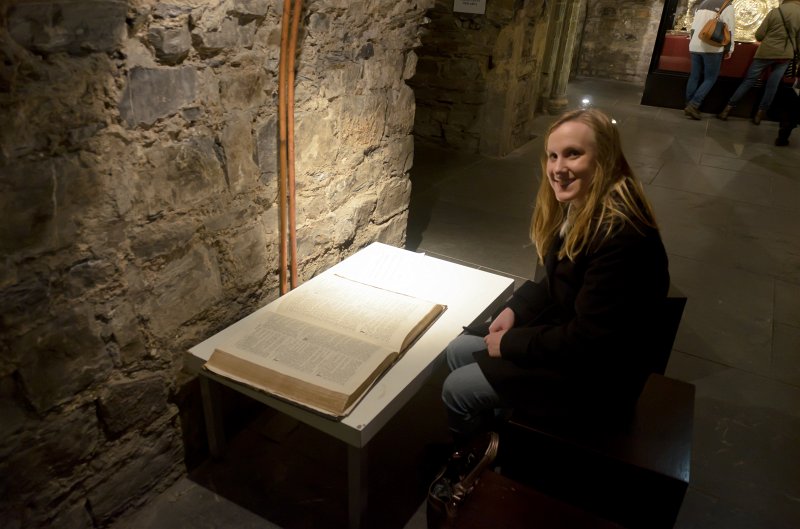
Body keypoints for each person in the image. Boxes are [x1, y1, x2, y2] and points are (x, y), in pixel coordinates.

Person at [440, 108, 670, 441]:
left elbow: (589, 339)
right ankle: (500, 428)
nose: (558, 168)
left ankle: (472, 461)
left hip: (598, 378)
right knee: (458, 349)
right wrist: (515, 308)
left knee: (456, 388)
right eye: (552, 156)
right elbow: (561, 279)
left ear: (604, 157)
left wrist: (511, 343)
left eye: (573, 154)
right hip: (575, 345)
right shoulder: (587, 203)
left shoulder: (622, 236)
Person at [717, 0, 800, 124]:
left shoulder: (775, 11)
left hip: (766, 51)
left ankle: (727, 109)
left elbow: (759, 35)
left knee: (749, 81)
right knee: (772, 85)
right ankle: (759, 115)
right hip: (785, 55)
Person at [684, 0, 737, 120]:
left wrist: (693, 42)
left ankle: (689, 104)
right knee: (710, 78)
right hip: (712, 46)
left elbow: (693, 27)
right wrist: (730, 49)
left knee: (694, 76)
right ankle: (694, 105)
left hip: (695, 44)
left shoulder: (703, 3)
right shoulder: (727, 6)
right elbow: (730, 30)